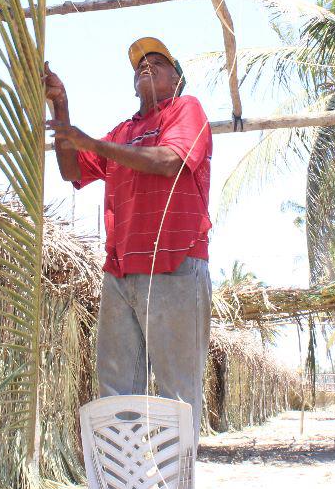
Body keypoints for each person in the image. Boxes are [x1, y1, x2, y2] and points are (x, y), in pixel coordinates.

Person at [43, 36, 213, 433]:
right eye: (140, 64)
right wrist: (61, 108)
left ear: (177, 77)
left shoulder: (186, 109)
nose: (146, 66)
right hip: (120, 272)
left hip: (174, 263)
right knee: (116, 395)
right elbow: (73, 170)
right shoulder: (123, 131)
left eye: (157, 61)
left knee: (177, 397)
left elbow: (171, 160)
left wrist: (91, 141)